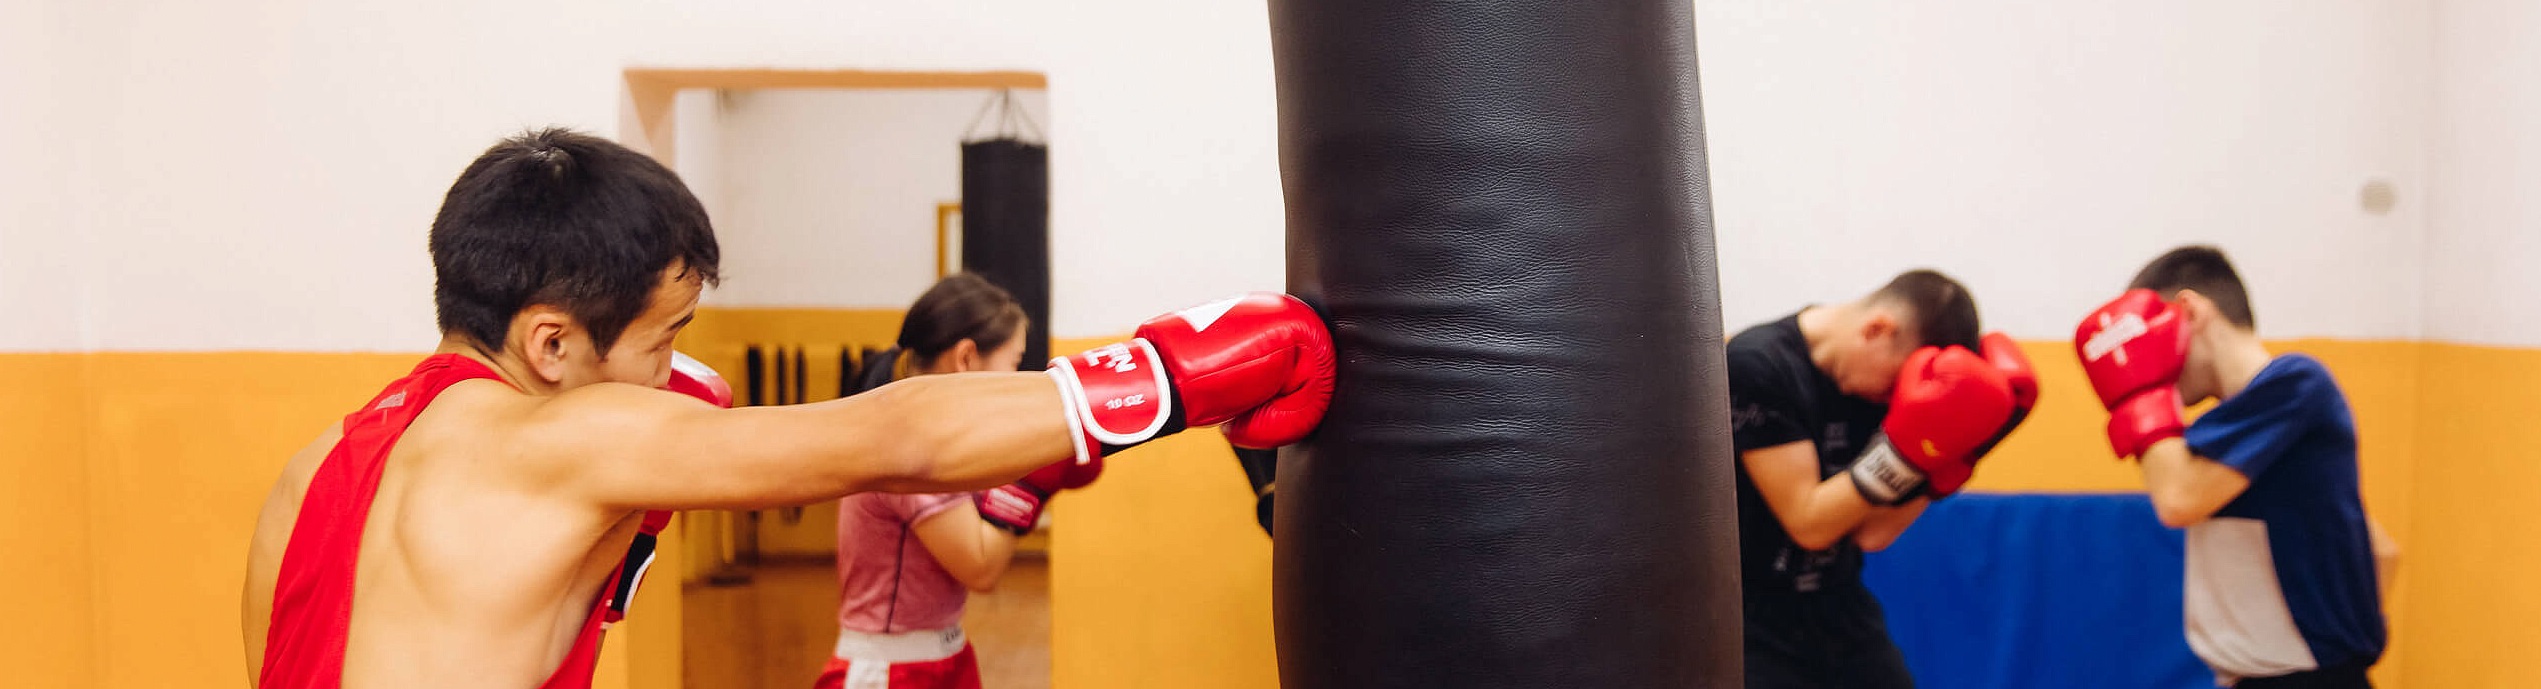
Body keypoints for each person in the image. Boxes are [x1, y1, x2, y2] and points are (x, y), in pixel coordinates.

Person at [241, 128, 1337, 689]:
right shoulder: (562, 435)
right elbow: (899, 434)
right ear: (551, 343)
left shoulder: (318, 463)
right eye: (664, 338)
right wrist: (1164, 378)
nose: (671, 372)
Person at [2073, 245, 2398, 688]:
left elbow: (2177, 501)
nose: (2144, 357)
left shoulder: (2296, 382)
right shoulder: (2223, 431)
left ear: (2189, 312)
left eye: (2144, 337)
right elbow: (2381, 547)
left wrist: (2139, 397)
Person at [1727, 269, 2036, 689]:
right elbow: (1809, 523)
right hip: (1750, 619)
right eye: (1893, 387)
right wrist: (1903, 456)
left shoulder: (1881, 380)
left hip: (1839, 605)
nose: (1895, 399)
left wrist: (1964, 449)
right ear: (1877, 330)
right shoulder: (1758, 366)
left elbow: (1874, 533)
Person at [817, 273, 1094, 689]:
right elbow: (979, 567)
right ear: (966, 358)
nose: (1017, 375)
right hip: (890, 669)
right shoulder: (906, 441)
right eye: (1013, 362)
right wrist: (1030, 487)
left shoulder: (938, 436)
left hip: (945, 653)